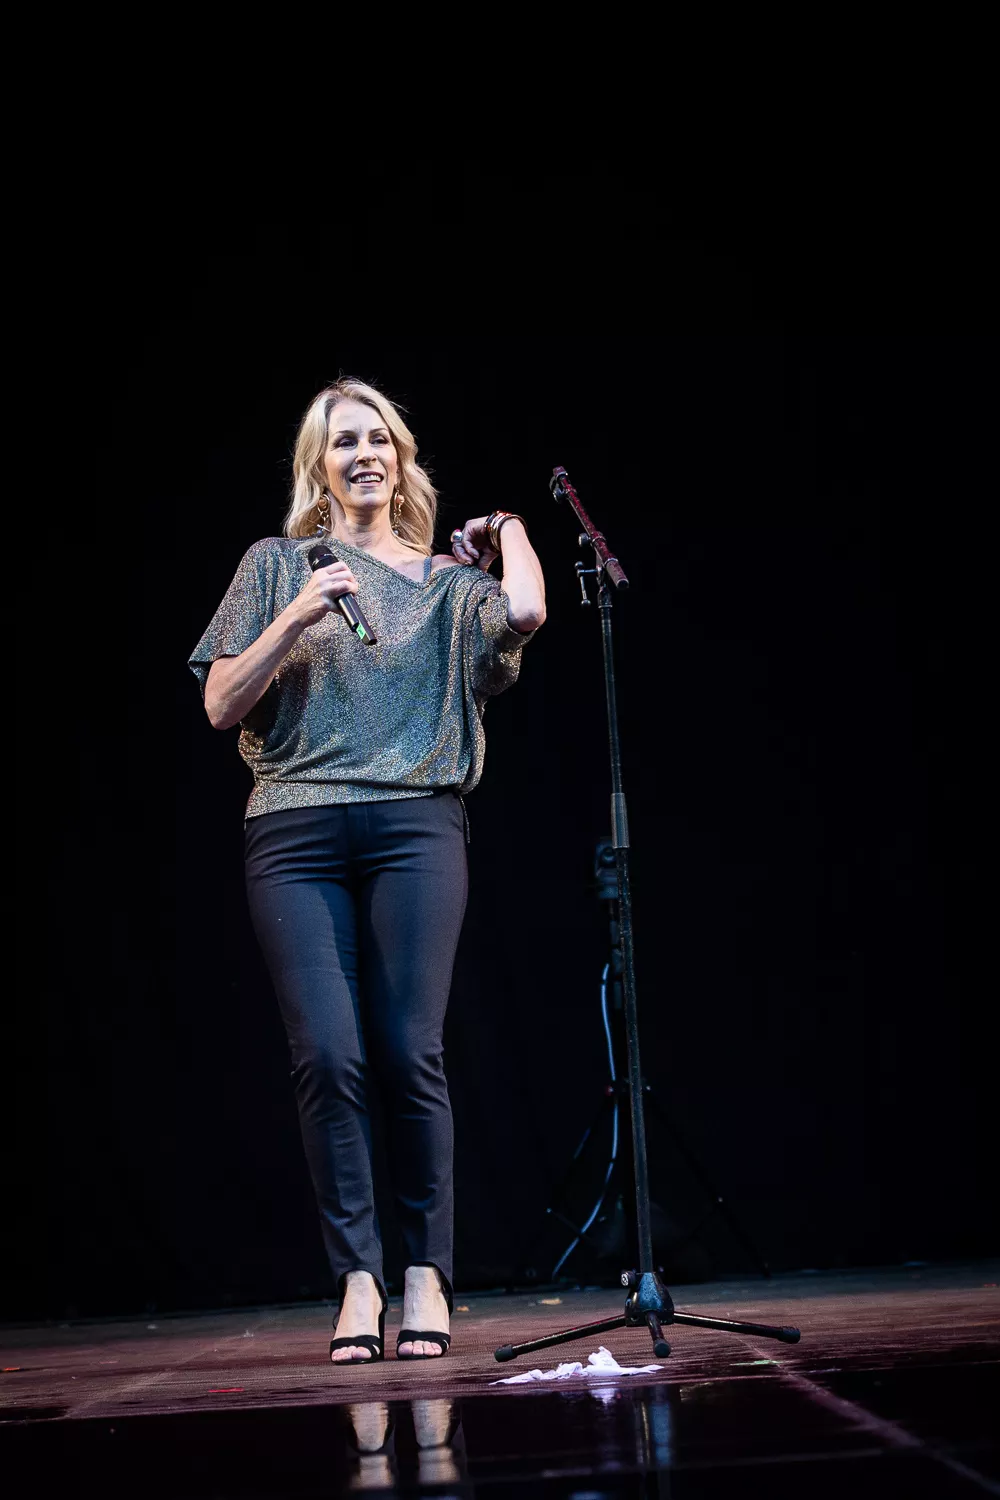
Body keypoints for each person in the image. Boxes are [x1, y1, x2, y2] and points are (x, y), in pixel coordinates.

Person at [188, 378, 545, 1364]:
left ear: (401, 459)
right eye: (344, 441)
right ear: (321, 465)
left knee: (408, 1051)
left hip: (414, 824)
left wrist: (509, 526)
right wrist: (297, 612)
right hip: (293, 828)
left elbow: (525, 610)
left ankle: (426, 1272)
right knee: (328, 1056)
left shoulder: (445, 585)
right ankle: (357, 1278)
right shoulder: (276, 565)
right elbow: (219, 703)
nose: (364, 454)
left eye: (378, 438)